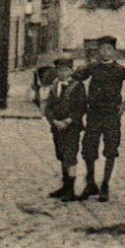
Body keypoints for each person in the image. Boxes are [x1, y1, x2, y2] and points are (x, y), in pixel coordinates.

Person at [75, 35, 125, 202]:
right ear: (98, 51)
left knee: (111, 149)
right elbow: (76, 77)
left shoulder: (119, 70)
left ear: (114, 52)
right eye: (102, 49)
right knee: (88, 148)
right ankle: (90, 182)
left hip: (111, 115)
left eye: (109, 49)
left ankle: (105, 184)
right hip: (93, 114)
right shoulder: (93, 67)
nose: (105, 52)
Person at [44, 55, 88, 200]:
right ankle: (64, 186)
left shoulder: (78, 86)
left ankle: (71, 189)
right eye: (60, 70)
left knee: (70, 156)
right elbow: (48, 107)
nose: (63, 73)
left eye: (66, 70)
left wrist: (68, 120)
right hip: (57, 127)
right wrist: (54, 121)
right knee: (61, 155)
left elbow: (81, 107)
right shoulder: (54, 86)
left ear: (71, 71)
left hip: (72, 128)